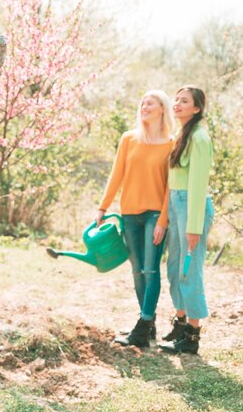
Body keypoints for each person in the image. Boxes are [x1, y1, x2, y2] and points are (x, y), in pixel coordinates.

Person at [96, 90, 175, 348]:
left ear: (162, 108)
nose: (145, 106)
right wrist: (103, 207)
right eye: (142, 103)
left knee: (151, 270)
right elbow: (116, 174)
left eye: (150, 103)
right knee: (137, 272)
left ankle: (142, 326)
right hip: (129, 214)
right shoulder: (129, 139)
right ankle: (147, 324)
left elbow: (170, 188)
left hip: (155, 214)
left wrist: (163, 220)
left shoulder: (171, 144)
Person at [159, 86, 213, 355]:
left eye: (185, 101)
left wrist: (194, 226)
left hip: (193, 207)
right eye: (176, 99)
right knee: (173, 269)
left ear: (197, 108)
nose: (177, 104)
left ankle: (193, 334)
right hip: (177, 204)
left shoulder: (200, 137)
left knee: (189, 270)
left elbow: (198, 185)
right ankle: (180, 323)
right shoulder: (182, 135)